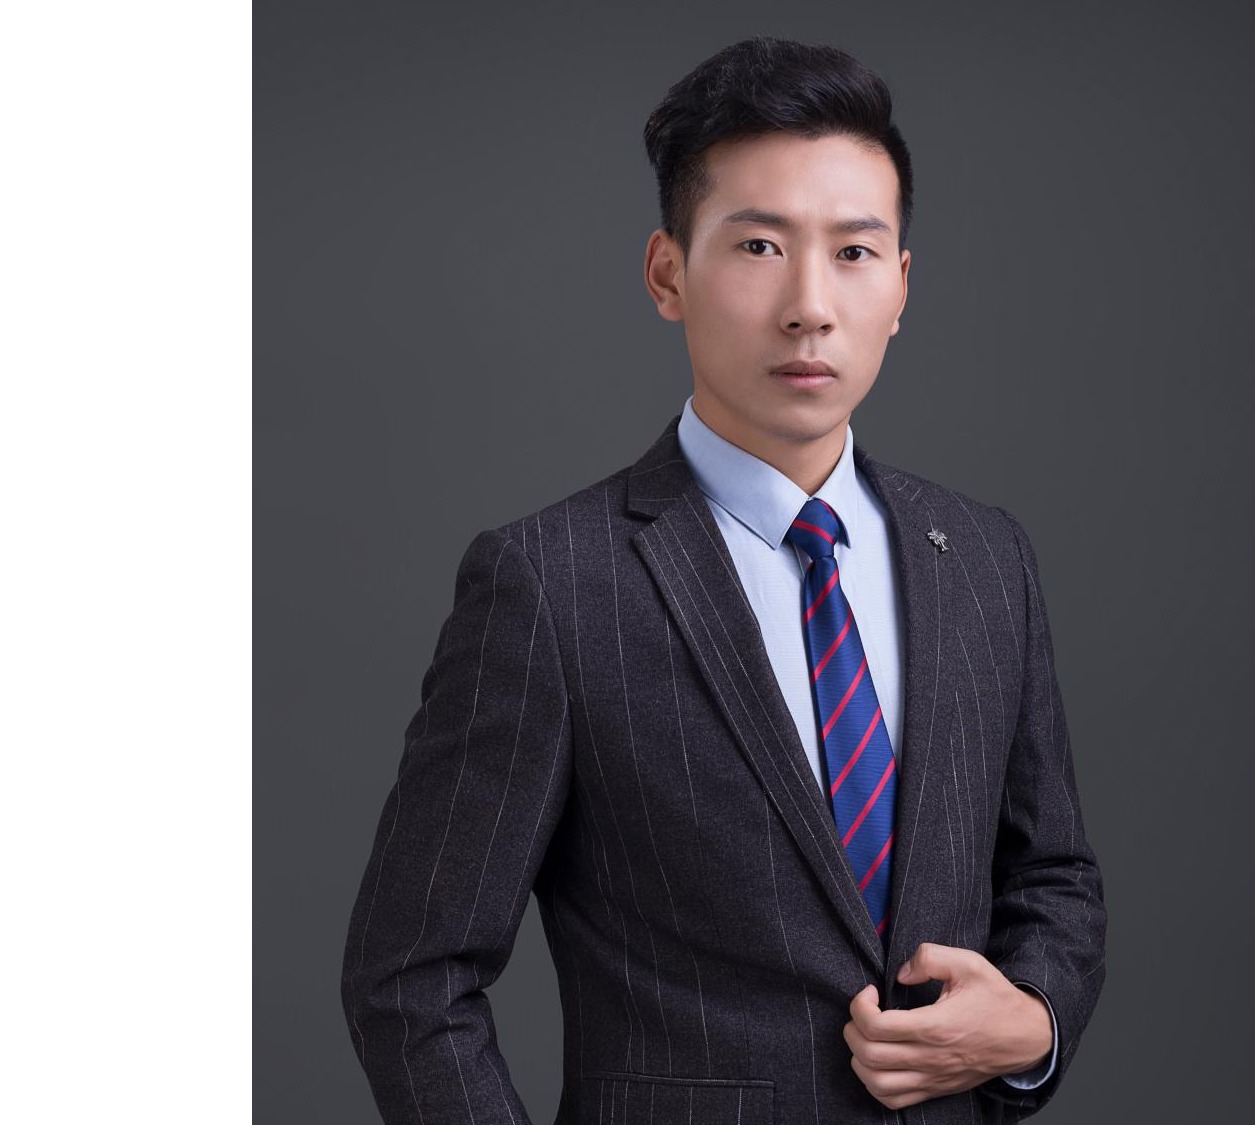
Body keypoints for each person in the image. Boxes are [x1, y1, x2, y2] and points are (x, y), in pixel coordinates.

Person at [340, 35, 1106, 1125]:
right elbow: (410, 977)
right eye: (758, 245)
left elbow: (1055, 877)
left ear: (901, 285)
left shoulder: (985, 557)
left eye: (854, 251)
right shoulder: (552, 584)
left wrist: (1034, 1023)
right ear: (668, 273)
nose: (810, 305)